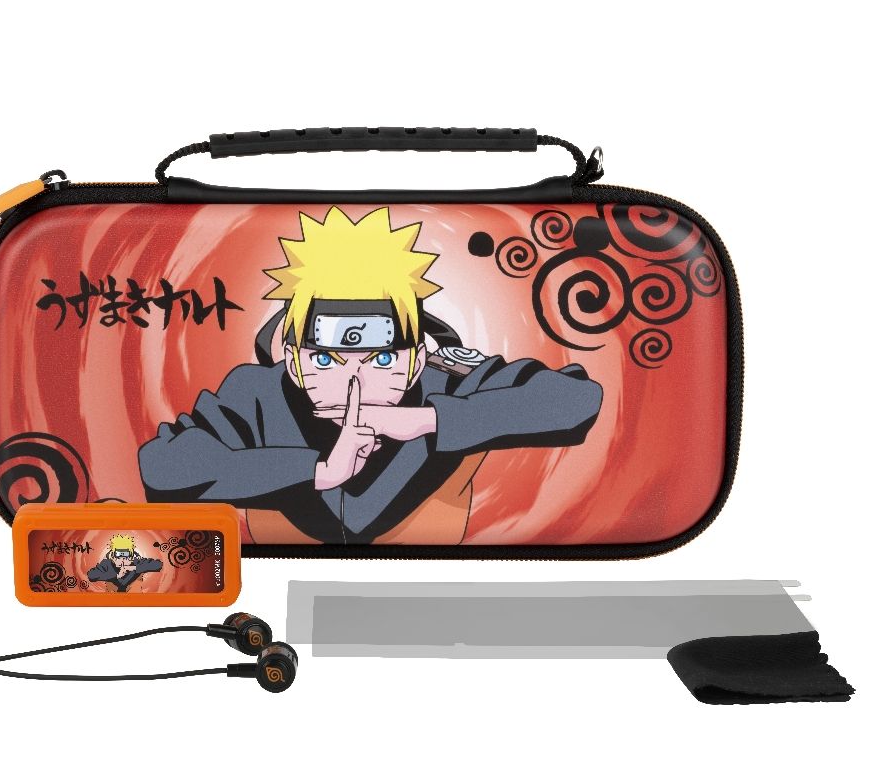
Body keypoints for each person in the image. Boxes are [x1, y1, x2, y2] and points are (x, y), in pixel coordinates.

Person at [139, 206, 603, 545]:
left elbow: (575, 400)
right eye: (326, 361)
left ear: (416, 359)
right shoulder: (256, 394)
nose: (353, 380)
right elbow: (162, 466)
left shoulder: (448, 381)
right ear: (294, 360)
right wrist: (317, 471)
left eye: (380, 361)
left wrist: (429, 420)